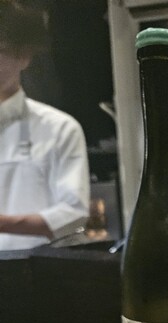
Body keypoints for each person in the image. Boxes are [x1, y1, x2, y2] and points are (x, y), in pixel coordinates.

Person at [0, 0, 89, 251]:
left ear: (24, 56)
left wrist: (4, 223)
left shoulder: (60, 129)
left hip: (38, 269)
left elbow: (73, 213)